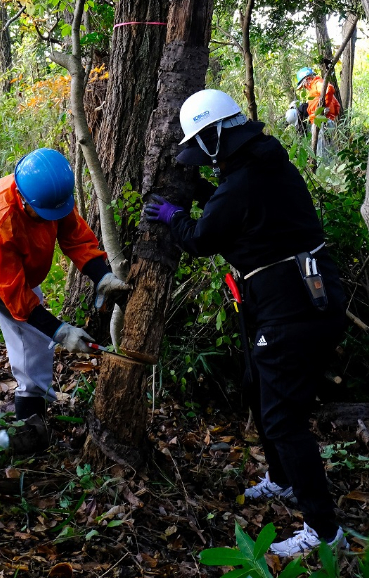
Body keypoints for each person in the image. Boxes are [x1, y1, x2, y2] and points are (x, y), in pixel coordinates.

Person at [144, 89, 348, 558]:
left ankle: (324, 531)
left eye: (201, 148)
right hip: (284, 297)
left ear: (218, 137)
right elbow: (242, 212)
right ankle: (281, 480)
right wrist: (201, 192)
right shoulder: (259, 164)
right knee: (258, 387)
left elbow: (202, 237)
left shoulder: (246, 180)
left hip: (292, 306)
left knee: (282, 418)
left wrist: (175, 217)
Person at [0, 147, 128, 452]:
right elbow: (15, 298)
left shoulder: (53, 195)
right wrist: (62, 331)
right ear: (22, 197)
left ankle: (31, 421)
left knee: (35, 346)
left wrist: (102, 276)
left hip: (19, 275)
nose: (48, 219)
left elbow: (75, 237)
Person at [289, 67, 340, 134]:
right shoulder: (315, 89)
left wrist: (323, 108)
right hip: (325, 122)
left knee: (322, 144)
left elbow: (329, 88)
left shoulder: (317, 83)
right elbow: (337, 106)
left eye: (304, 85)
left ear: (308, 79)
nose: (305, 87)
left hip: (322, 123)